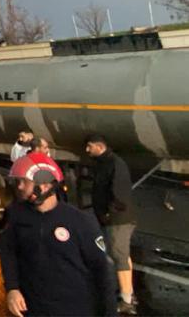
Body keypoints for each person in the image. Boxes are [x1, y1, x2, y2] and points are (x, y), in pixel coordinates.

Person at [0, 153, 116, 317]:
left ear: (45, 185)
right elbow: (8, 252)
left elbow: (102, 271)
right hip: (34, 309)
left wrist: (109, 314)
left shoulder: (80, 221)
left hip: (75, 310)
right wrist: (12, 288)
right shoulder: (17, 216)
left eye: (23, 181)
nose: (19, 187)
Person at [86, 134, 137, 315]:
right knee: (122, 254)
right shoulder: (104, 162)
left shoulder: (115, 163)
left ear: (99, 147)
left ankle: (126, 301)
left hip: (118, 219)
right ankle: (128, 292)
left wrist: (109, 213)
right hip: (115, 218)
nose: (87, 150)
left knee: (118, 255)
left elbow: (119, 193)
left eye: (89, 146)